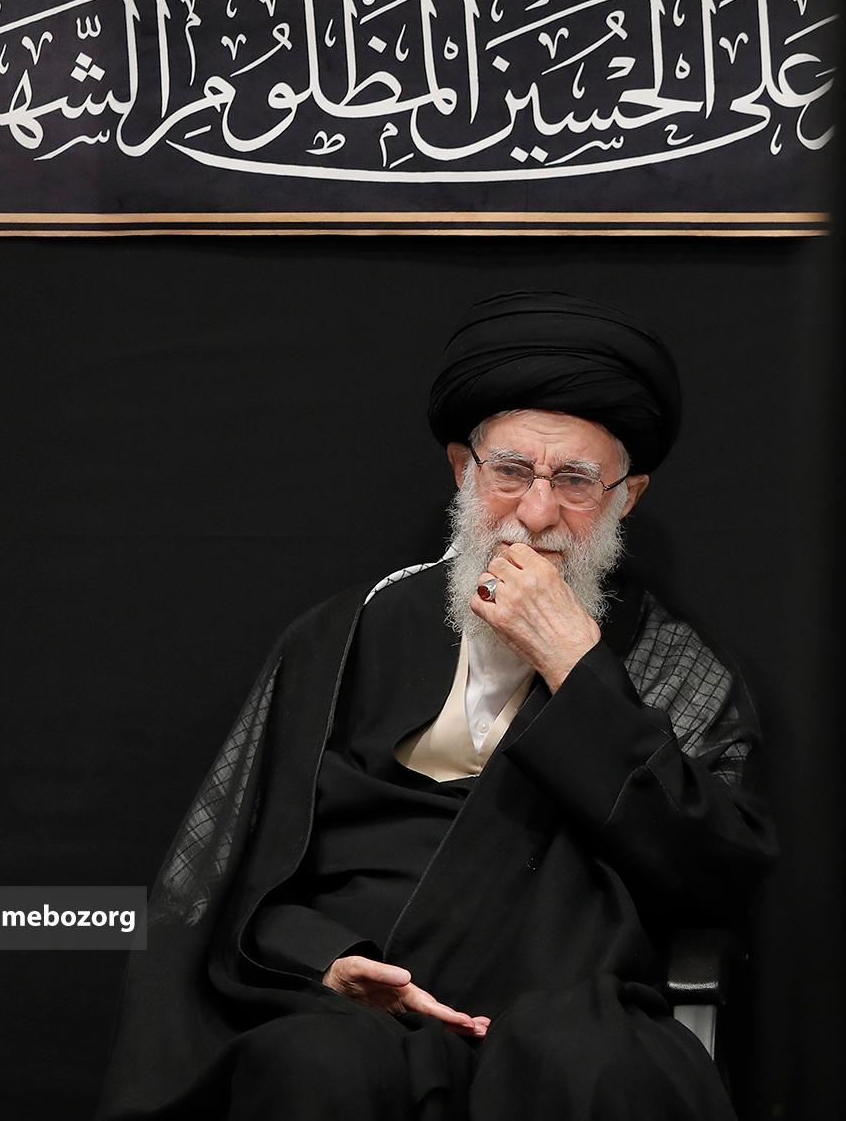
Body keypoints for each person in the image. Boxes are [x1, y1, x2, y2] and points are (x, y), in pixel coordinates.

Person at [97, 290, 776, 1121]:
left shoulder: (676, 666)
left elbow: (715, 877)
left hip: (561, 1003)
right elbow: (236, 875)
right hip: (351, 1003)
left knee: (586, 1062)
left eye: (574, 481)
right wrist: (326, 956)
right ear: (463, 469)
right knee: (316, 1065)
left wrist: (580, 669)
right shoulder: (348, 633)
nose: (536, 514)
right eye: (511, 472)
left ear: (625, 497)